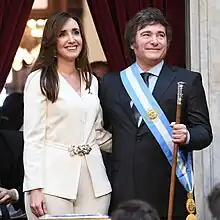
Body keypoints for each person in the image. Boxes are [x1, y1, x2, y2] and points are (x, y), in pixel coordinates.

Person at [99, 7, 212, 220]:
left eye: (161, 36)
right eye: (146, 35)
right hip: (125, 188)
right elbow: (101, 130)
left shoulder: (187, 80)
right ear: (133, 43)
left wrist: (187, 136)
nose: (155, 41)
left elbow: (204, 132)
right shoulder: (111, 83)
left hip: (169, 187)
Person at [23, 12, 112, 219]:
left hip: (95, 181)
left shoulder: (91, 80)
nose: (71, 39)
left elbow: (96, 132)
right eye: (63, 34)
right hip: (52, 181)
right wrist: (34, 187)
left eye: (76, 33)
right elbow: (33, 138)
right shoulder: (40, 79)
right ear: (52, 42)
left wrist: (137, 141)